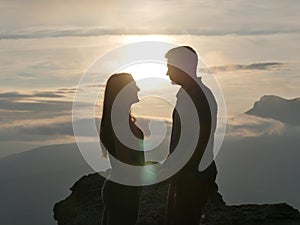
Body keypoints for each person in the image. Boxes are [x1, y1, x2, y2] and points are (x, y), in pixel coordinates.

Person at [165, 46, 218, 225]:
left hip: (192, 176)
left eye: (170, 67)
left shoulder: (197, 96)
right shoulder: (190, 94)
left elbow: (199, 139)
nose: (167, 73)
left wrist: (181, 171)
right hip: (190, 174)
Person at [100, 73, 145, 225]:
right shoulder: (120, 124)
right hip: (123, 192)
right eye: (133, 86)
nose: (138, 88)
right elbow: (127, 164)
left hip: (122, 190)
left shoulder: (120, 120)